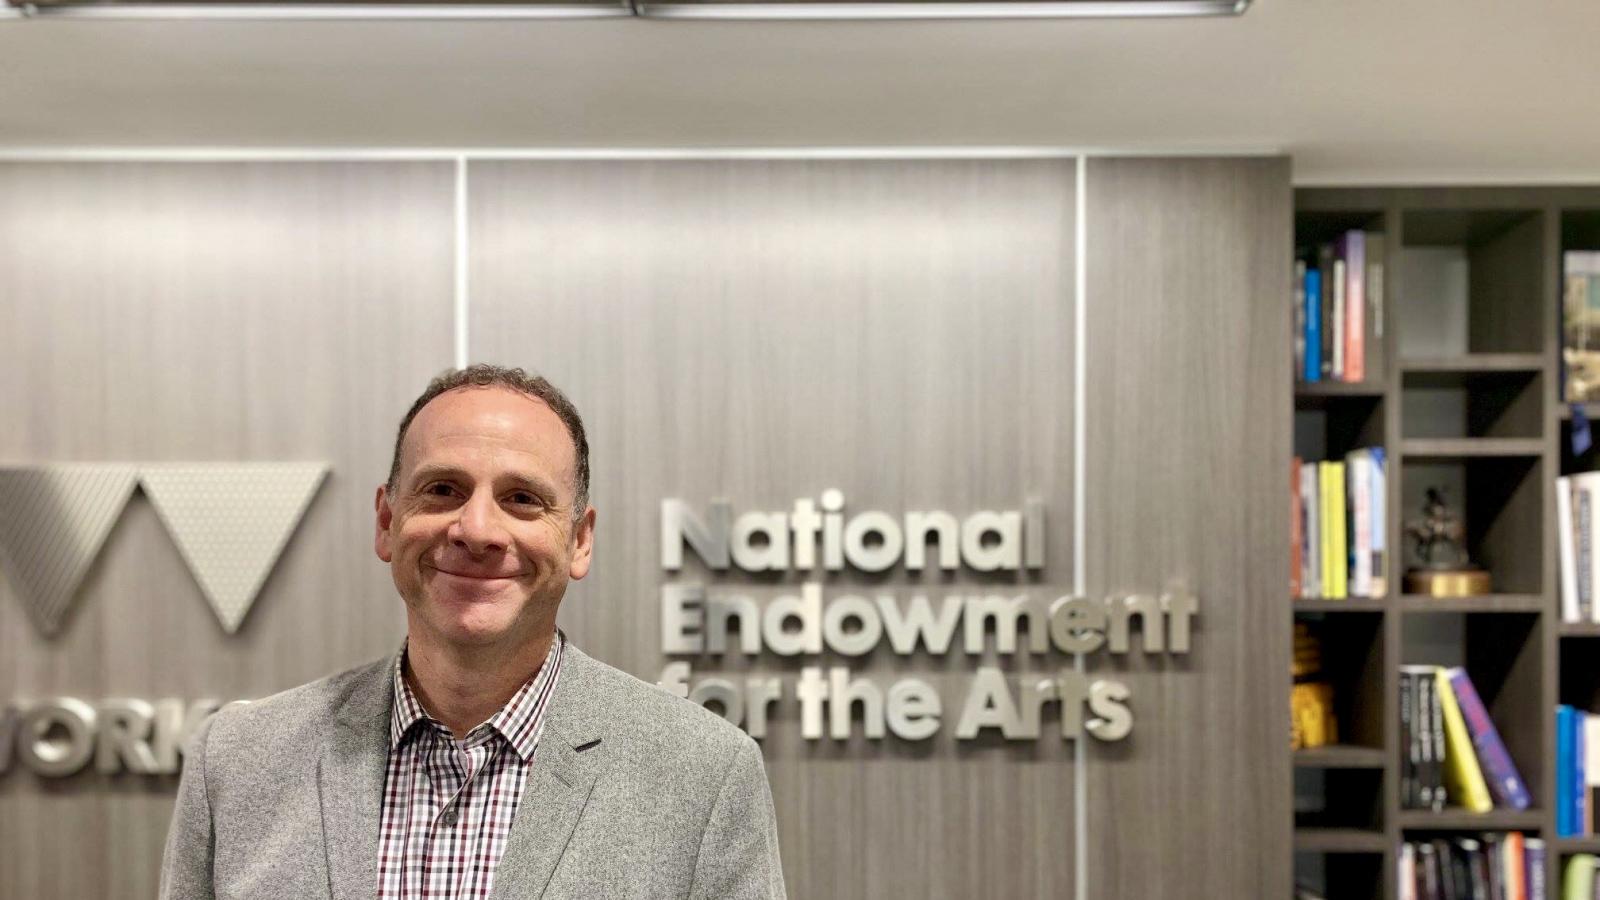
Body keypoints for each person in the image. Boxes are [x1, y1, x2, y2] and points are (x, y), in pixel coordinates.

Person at [158, 364, 785, 900]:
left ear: (580, 540)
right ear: (386, 520)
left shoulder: (704, 774)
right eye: (443, 490)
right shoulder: (237, 762)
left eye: (521, 499)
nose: (477, 529)